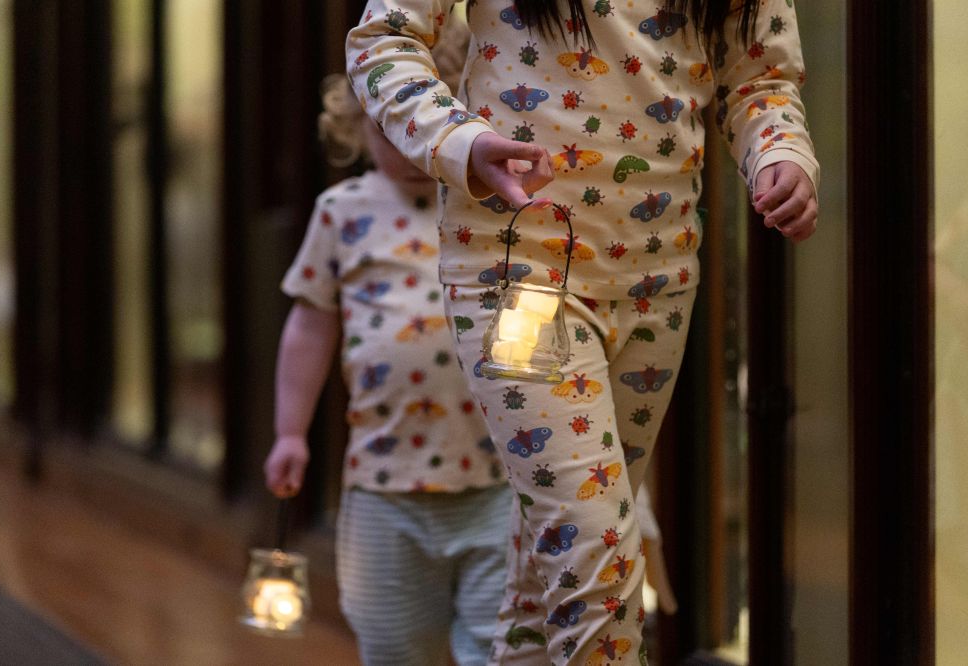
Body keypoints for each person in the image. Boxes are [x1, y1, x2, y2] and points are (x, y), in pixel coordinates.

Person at [347, 1, 819, 663]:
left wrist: (781, 155)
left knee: (550, 585)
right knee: (598, 567)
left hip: (660, 277)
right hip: (518, 272)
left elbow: (759, 78)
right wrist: (463, 141)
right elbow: (384, 40)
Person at [263, 25, 514, 665]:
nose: (405, 144)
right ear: (355, 126)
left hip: (498, 477)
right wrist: (291, 431)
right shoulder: (343, 210)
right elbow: (311, 324)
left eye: (421, 125)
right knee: (394, 643)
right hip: (384, 482)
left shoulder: (489, 207)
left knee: (498, 646)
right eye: (386, 126)